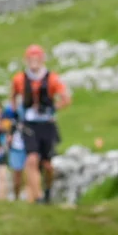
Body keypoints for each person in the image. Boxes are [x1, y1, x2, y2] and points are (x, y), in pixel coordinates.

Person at [10, 44, 71, 204]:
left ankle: (48, 189)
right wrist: (16, 114)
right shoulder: (19, 79)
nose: (34, 62)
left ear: (42, 59)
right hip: (29, 124)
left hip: (46, 124)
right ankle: (38, 197)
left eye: (37, 59)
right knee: (31, 159)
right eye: (31, 59)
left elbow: (66, 98)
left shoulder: (52, 78)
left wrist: (52, 108)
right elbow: (13, 96)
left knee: (47, 164)